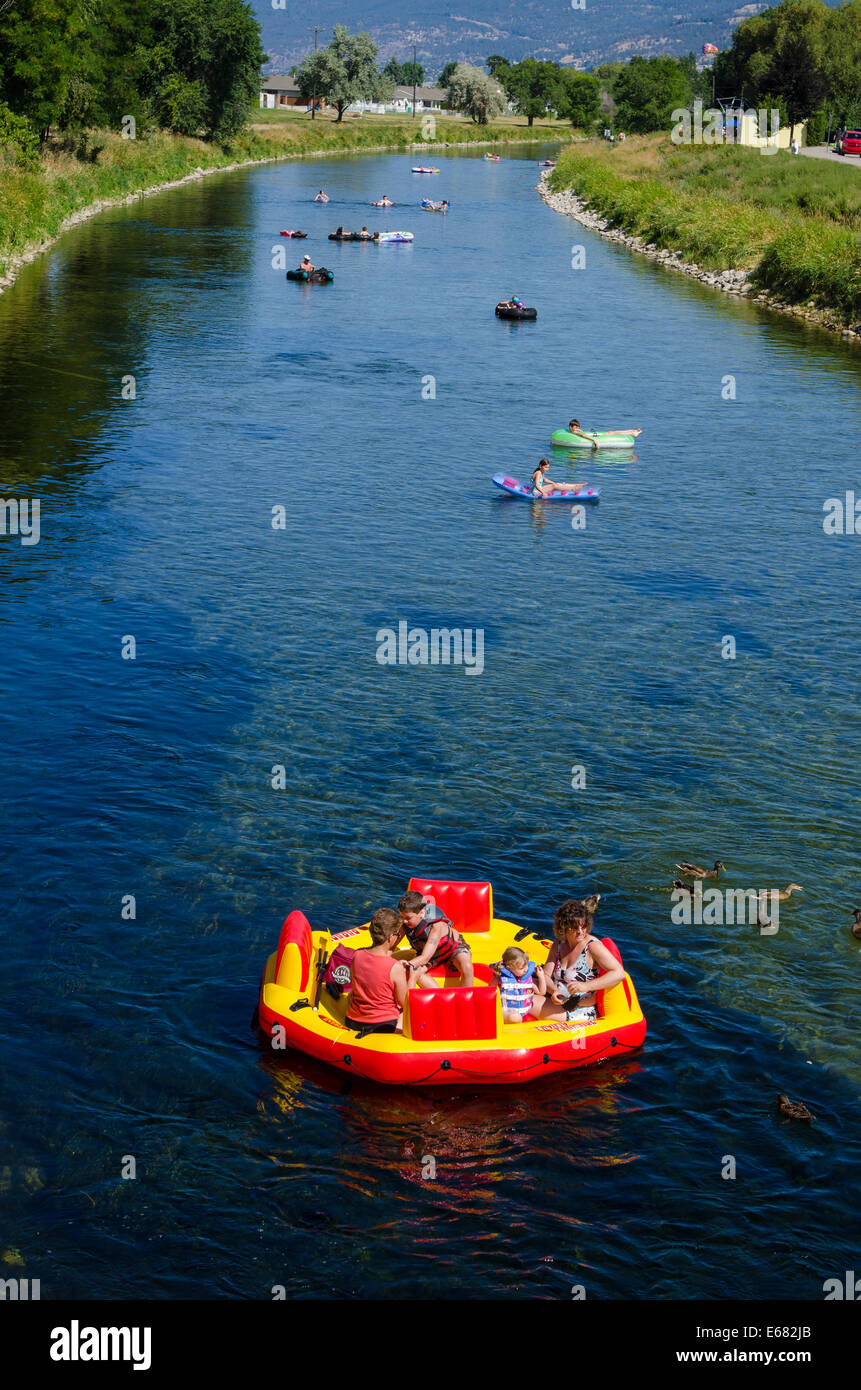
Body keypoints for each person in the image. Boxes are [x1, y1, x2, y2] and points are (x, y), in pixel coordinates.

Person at [536, 898, 624, 1023]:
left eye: (583, 926)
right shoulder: (559, 944)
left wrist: (585, 985)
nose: (580, 931)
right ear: (564, 927)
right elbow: (545, 975)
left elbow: (618, 973)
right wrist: (553, 991)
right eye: (575, 928)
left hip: (578, 1008)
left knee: (528, 1002)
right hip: (556, 999)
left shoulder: (592, 946)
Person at [345, 908, 411, 1035]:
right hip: (383, 1026)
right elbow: (404, 1002)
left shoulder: (356, 956)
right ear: (391, 937)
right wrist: (412, 977)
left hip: (353, 1022)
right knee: (407, 1010)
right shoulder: (395, 967)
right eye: (397, 934)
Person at [397, 890, 474, 987]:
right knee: (414, 972)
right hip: (432, 954)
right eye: (402, 916)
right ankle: (439, 996)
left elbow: (425, 958)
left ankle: (465, 999)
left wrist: (400, 966)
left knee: (467, 966)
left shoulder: (436, 926)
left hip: (452, 948)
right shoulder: (406, 922)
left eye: (408, 918)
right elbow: (392, 943)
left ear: (421, 913)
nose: (404, 921)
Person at [492, 946, 547, 1023]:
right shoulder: (501, 979)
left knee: (517, 1017)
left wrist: (541, 977)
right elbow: (490, 993)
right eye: (521, 968)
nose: (526, 969)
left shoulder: (525, 979)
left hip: (523, 1011)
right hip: (505, 1011)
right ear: (509, 968)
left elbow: (541, 992)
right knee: (515, 1018)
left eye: (527, 965)